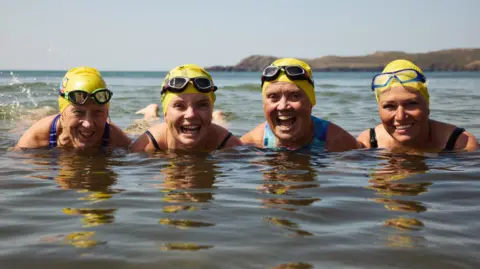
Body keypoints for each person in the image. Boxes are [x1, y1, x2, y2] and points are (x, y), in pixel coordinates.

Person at [357, 59, 478, 152]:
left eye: (411, 104)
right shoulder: (369, 142)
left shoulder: (461, 143)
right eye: (389, 106)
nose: (400, 116)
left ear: (427, 105)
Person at [241, 58, 358, 152]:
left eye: (295, 96)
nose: (282, 106)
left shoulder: (339, 143)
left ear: (311, 101)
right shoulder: (251, 143)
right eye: (273, 97)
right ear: (264, 104)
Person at [130, 64, 242, 152]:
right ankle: (150, 112)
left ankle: (218, 116)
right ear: (166, 113)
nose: (191, 114)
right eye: (179, 106)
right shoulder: (147, 145)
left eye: (202, 105)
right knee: (147, 122)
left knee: (220, 123)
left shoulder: (229, 144)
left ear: (211, 109)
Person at [16, 67, 131, 149]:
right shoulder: (35, 138)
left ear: (107, 112)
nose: (88, 124)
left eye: (97, 112)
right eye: (78, 112)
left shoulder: (116, 139)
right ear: (62, 112)